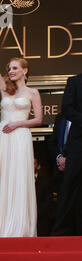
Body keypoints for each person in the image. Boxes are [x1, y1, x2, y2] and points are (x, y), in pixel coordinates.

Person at [0, 24, 43, 237]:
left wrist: (18, 124)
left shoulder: (33, 92)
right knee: (3, 178)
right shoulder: (4, 89)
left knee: (20, 179)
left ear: (25, 70)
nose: (11, 71)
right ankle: (0, 225)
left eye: (15, 67)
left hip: (21, 138)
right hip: (4, 139)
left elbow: (39, 119)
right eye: (9, 68)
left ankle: (20, 227)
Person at [51, 73, 82, 236]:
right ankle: (63, 232)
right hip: (78, 144)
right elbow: (67, 109)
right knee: (71, 188)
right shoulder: (75, 82)